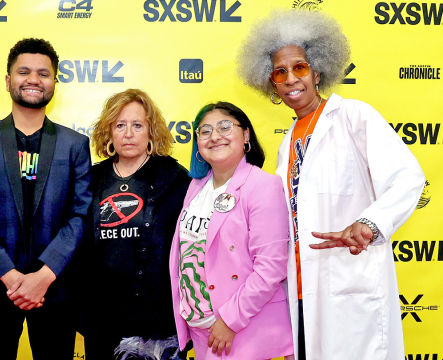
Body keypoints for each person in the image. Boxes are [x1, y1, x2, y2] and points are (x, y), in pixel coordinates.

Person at [237, 9, 426, 360]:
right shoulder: (287, 142)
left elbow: (408, 177)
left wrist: (369, 225)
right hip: (300, 291)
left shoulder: (354, 116)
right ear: (271, 84)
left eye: (300, 67)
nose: (291, 79)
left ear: (317, 71)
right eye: (280, 72)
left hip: (347, 282)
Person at [0, 38, 91, 360]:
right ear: (8, 81)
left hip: (55, 290)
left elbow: (80, 215)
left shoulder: (75, 144)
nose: (34, 79)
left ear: (55, 83)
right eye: (24, 71)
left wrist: (44, 276)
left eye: (44, 73)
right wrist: (10, 275)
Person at [169, 102, 293, 360]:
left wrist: (230, 320)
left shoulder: (263, 186)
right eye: (205, 131)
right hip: (202, 330)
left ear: (245, 135)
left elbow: (271, 268)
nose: (214, 136)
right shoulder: (197, 187)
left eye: (225, 127)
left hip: (241, 330)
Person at [82, 89, 190, 359]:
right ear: (109, 132)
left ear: (151, 132)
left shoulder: (176, 180)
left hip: (157, 321)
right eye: (120, 125)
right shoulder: (89, 180)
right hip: (102, 319)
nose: (128, 133)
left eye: (137, 125)